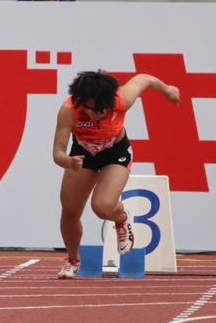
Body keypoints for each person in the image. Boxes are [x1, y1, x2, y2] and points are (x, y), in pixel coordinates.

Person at [52, 70, 180, 279]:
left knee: (102, 206)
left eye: (101, 110)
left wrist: (167, 90)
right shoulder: (69, 109)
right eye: (90, 109)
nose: (95, 114)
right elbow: (57, 152)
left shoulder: (122, 99)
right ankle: (73, 259)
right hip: (82, 156)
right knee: (70, 210)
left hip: (115, 153)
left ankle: (121, 218)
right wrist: (69, 161)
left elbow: (145, 78)